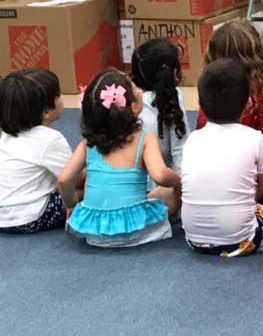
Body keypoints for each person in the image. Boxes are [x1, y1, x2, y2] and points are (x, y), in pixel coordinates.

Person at [58, 68, 181, 248]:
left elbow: (63, 179)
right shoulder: (144, 138)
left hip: (95, 234)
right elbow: (161, 175)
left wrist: (71, 205)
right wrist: (179, 180)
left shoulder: (87, 144)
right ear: (133, 107)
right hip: (137, 232)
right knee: (171, 192)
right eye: (136, 91)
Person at [182, 59, 263, 257]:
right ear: (248, 101)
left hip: (194, 240)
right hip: (243, 240)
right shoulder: (254, 138)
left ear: (200, 103)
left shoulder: (193, 139)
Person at [195, 19, 263, 159]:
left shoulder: (209, 83)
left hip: (205, 151)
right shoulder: (259, 84)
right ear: (254, 55)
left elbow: (202, 126)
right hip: (240, 154)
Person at [0, 69, 74, 234]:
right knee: (87, 189)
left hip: (2, 216)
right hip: (30, 216)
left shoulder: (7, 134)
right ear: (46, 111)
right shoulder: (50, 139)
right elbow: (74, 177)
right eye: (59, 95)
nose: (62, 98)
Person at [131, 39, 190, 189]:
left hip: (127, 186)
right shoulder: (173, 96)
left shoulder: (124, 98)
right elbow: (180, 149)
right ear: (174, 73)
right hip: (161, 184)